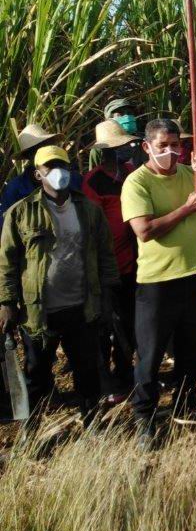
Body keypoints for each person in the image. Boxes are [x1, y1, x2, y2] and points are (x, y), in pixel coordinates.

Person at [121, 119, 196, 446]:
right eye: (163, 146)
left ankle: (186, 402)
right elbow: (145, 230)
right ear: (147, 147)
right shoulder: (137, 183)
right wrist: (185, 209)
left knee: (190, 350)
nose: (170, 152)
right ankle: (145, 416)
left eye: (175, 146)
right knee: (150, 355)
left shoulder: (188, 175)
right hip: (157, 282)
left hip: (193, 276)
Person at [0, 145, 118, 423]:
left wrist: (107, 295)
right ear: (38, 175)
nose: (57, 173)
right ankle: (35, 431)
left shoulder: (88, 210)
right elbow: (7, 261)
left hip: (82, 306)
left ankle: (91, 422)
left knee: (87, 370)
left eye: (62, 166)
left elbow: (105, 254)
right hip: (38, 311)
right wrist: (6, 302)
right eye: (49, 168)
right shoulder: (21, 213)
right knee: (37, 373)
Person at [83, 120, 140, 404]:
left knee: (127, 320)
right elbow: (92, 225)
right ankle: (106, 381)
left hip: (132, 259)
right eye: (111, 148)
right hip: (106, 263)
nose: (116, 152)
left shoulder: (130, 173)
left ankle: (125, 371)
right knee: (107, 322)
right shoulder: (92, 181)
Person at [0, 124, 83, 231]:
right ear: (29, 156)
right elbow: (6, 227)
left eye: (46, 147)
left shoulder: (72, 179)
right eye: (38, 151)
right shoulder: (15, 189)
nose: (44, 153)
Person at [88, 98, 143, 170]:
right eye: (120, 114)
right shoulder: (100, 149)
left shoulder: (143, 143)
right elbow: (93, 176)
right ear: (110, 119)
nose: (127, 116)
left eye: (129, 113)